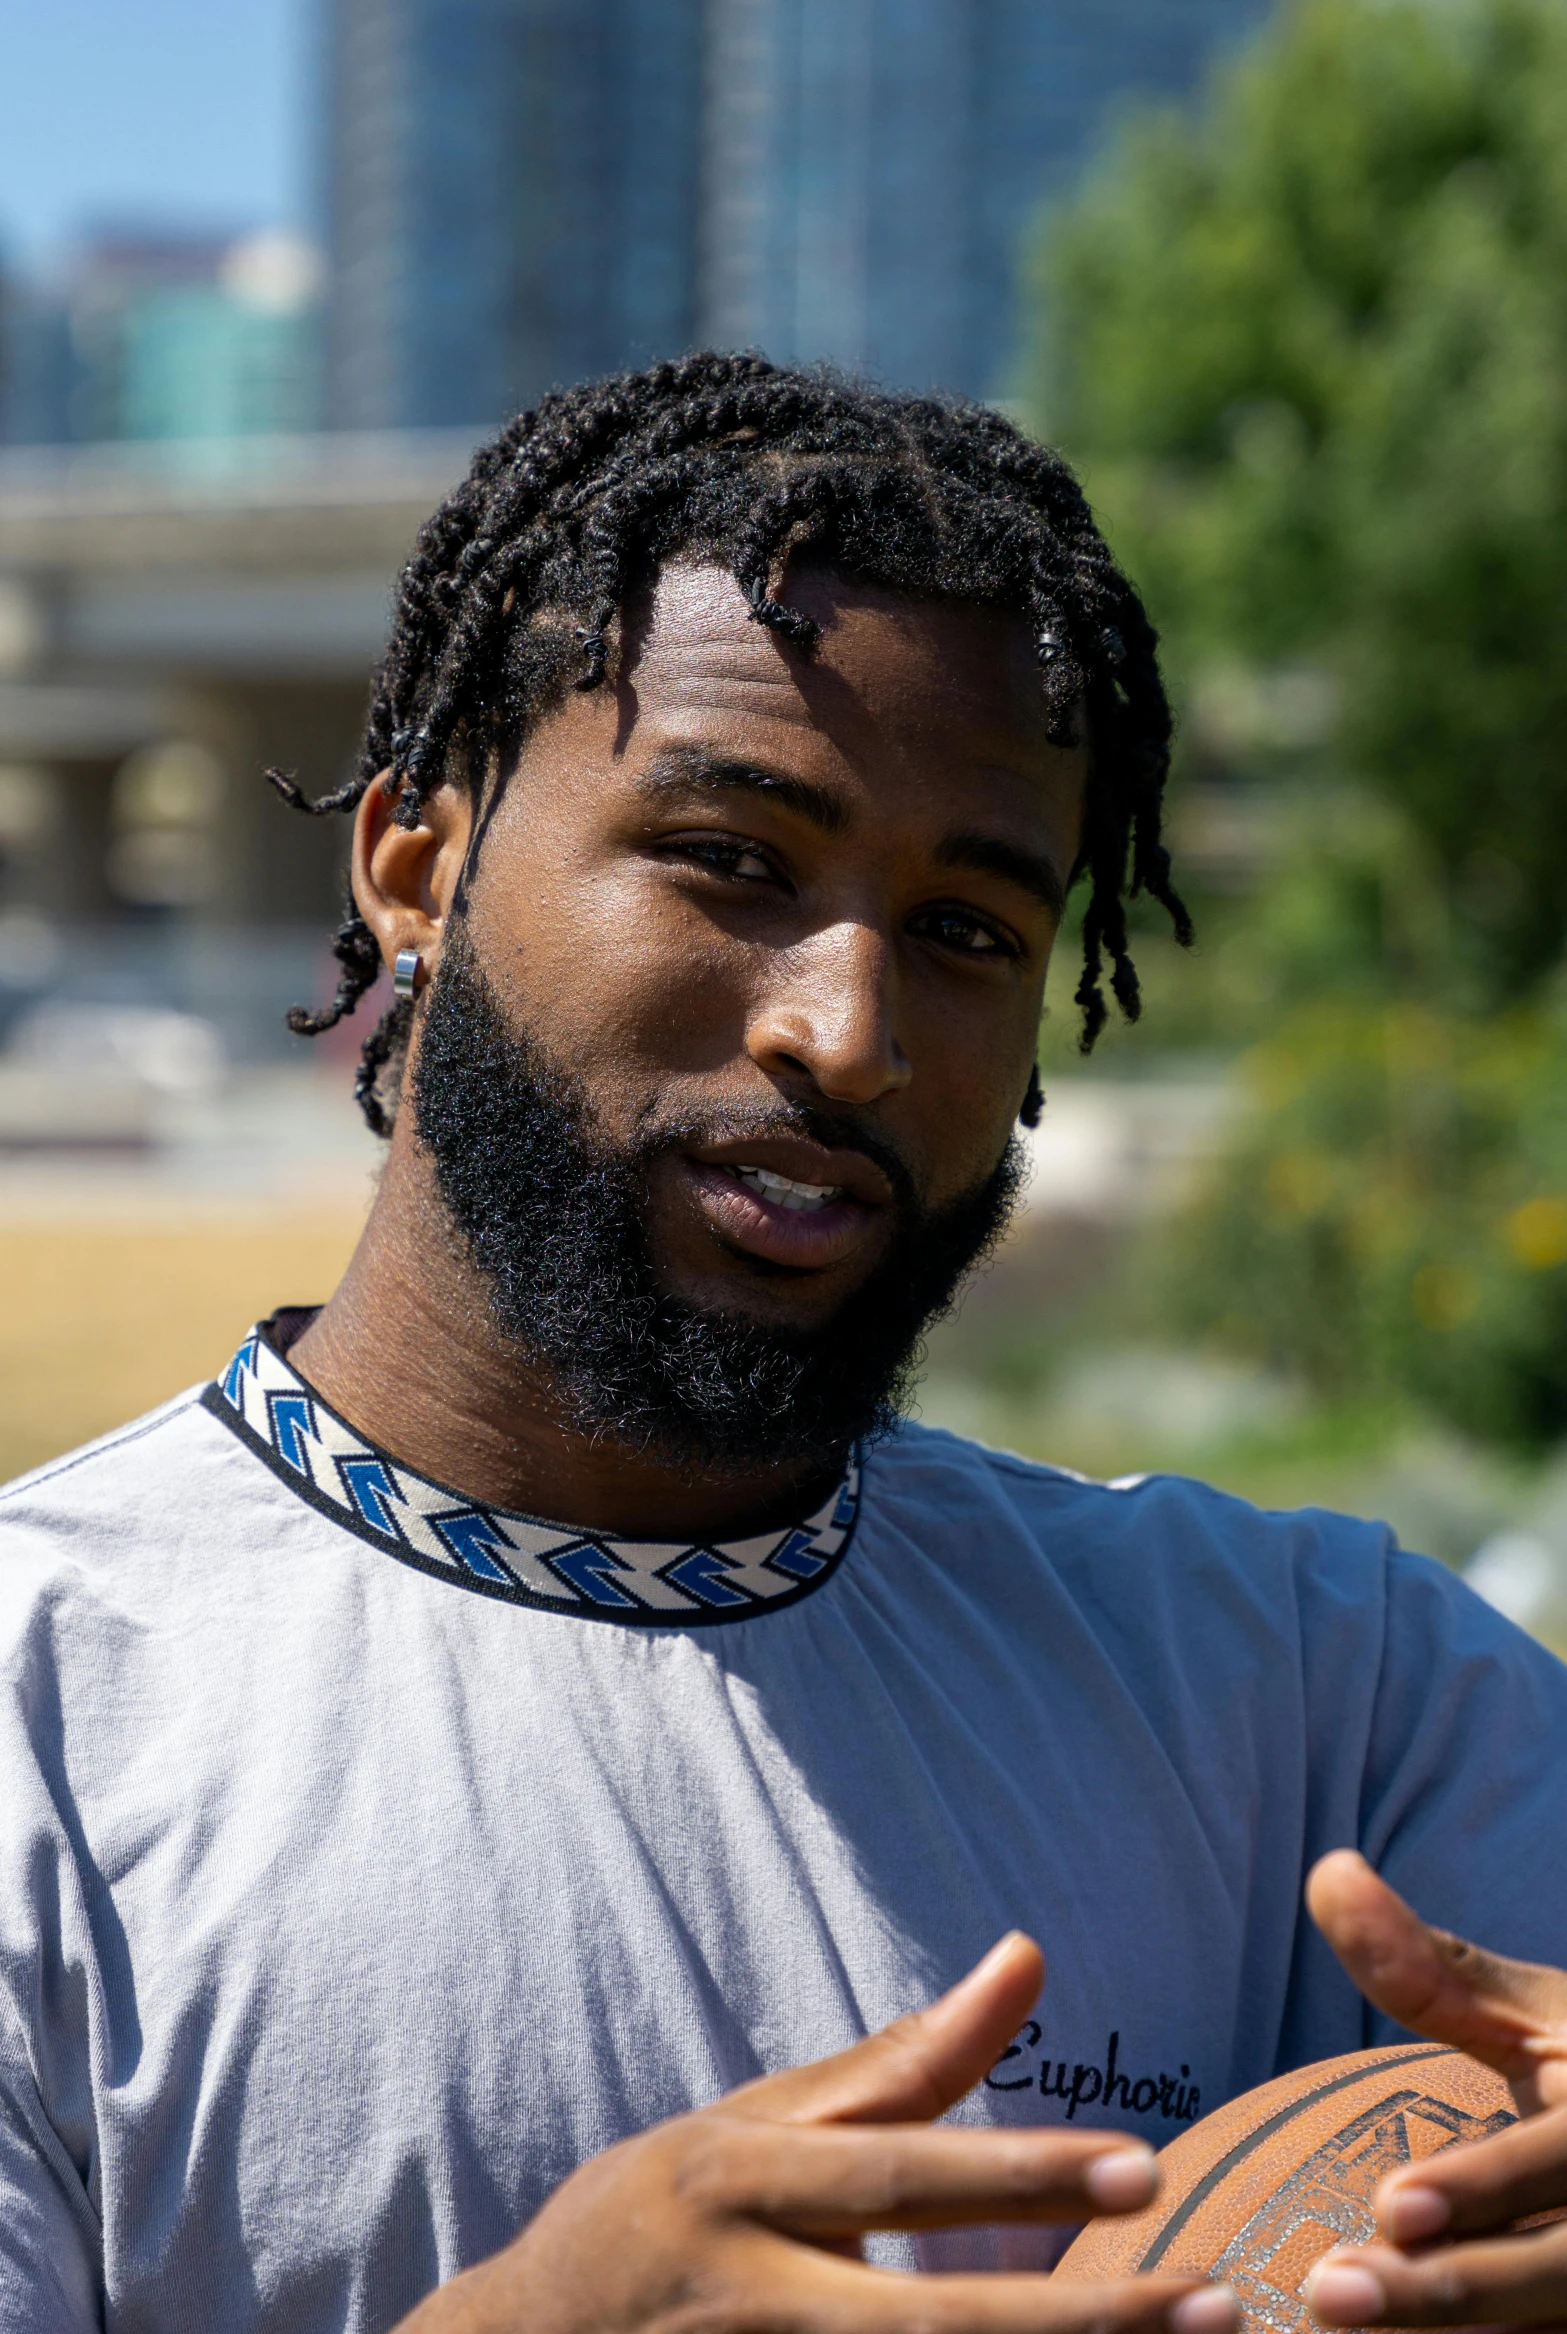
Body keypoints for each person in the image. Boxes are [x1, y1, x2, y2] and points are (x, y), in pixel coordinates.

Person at [2, 355, 1566, 2334]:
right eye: (732, 860)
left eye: (970, 927)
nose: (850, 1029)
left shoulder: (1320, 1686)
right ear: (417, 858)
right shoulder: (43, 1729)